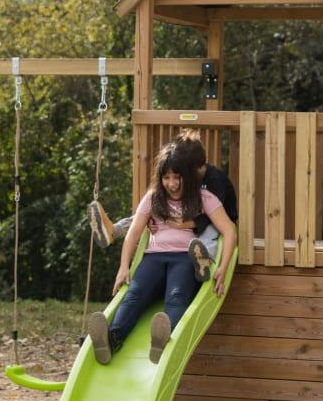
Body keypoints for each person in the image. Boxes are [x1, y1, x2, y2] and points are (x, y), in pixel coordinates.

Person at [85, 142, 237, 365]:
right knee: (134, 294)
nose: (172, 184)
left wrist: (223, 268)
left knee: (175, 298)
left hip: (185, 257)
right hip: (154, 256)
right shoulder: (153, 197)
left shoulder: (204, 197)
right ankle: (112, 339)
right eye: (166, 178)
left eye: (178, 177)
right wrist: (123, 267)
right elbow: (133, 234)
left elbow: (229, 231)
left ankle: (163, 340)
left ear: (187, 175)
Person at [88, 129, 238, 283]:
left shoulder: (215, 181)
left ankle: (205, 262)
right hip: (188, 217)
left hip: (214, 221)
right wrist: (152, 218)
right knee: (145, 214)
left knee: (208, 235)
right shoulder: (185, 181)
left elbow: (211, 217)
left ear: (194, 167)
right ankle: (113, 230)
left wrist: (188, 223)